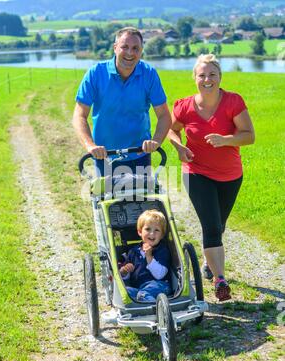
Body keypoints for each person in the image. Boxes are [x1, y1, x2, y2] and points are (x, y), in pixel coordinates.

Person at [167, 54, 255, 302]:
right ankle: (220, 280)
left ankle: (209, 263)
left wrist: (226, 140)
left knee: (219, 224)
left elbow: (249, 135)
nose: (207, 79)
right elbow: (172, 131)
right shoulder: (184, 106)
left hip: (230, 176)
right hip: (196, 173)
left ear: (220, 77)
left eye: (212, 74)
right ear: (195, 78)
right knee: (212, 226)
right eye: (202, 75)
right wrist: (179, 148)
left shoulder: (233, 102)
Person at [73, 27, 171, 177]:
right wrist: (90, 145)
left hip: (140, 155)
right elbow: (79, 116)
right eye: (124, 47)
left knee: (141, 199)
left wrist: (156, 141)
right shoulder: (96, 73)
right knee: (106, 200)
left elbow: (164, 115)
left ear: (141, 51)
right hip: (104, 155)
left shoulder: (149, 74)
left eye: (135, 48)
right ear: (115, 48)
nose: (130, 53)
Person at [119, 210, 172, 302]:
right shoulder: (133, 251)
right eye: (148, 229)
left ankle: (152, 309)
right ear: (140, 232)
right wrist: (124, 271)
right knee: (123, 291)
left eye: (157, 230)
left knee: (144, 294)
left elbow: (160, 275)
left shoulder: (162, 249)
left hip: (160, 285)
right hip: (138, 288)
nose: (152, 234)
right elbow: (127, 277)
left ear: (162, 235)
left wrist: (149, 256)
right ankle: (144, 302)